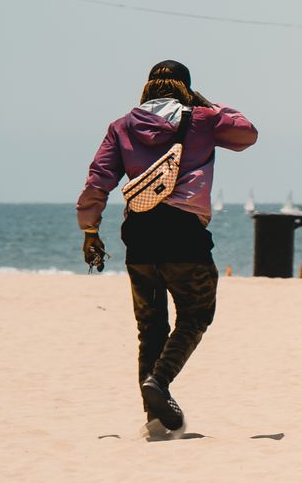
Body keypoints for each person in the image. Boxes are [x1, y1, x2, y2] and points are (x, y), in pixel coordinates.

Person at [77, 60, 257, 433]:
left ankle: (155, 417)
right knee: (196, 314)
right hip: (183, 233)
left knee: (151, 327)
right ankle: (159, 384)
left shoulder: (122, 126)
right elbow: (247, 134)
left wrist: (90, 230)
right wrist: (208, 104)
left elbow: (99, 181)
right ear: (185, 89)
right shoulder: (202, 120)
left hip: (139, 233)